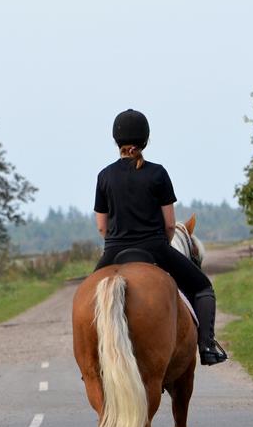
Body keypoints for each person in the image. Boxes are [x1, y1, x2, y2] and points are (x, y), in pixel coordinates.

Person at [93, 109, 228, 365]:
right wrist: (163, 246)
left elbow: (102, 227)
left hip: (113, 251)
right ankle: (207, 347)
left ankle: (91, 358)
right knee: (202, 288)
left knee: (88, 297)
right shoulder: (157, 173)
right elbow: (169, 224)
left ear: (116, 141)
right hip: (154, 248)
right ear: (145, 140)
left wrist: (115, 241)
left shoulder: (105, 176)